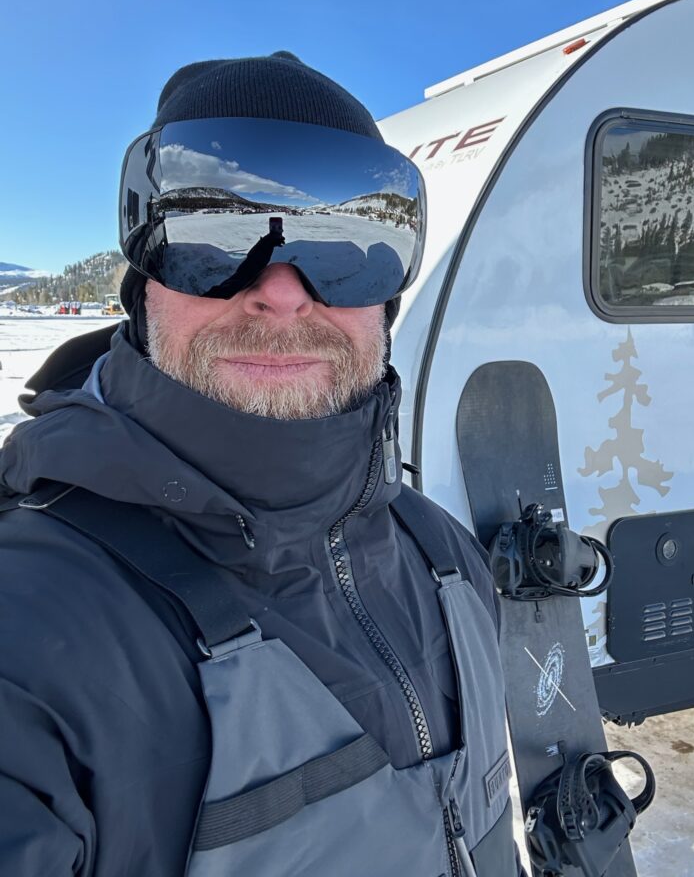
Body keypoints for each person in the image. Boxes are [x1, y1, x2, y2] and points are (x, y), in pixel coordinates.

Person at [0, 54, 523, 876]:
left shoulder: (445, 557)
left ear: (386, 301)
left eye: (344, 246)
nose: (282, 293)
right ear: (142, 285)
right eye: (216, 237)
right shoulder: (31, 628)